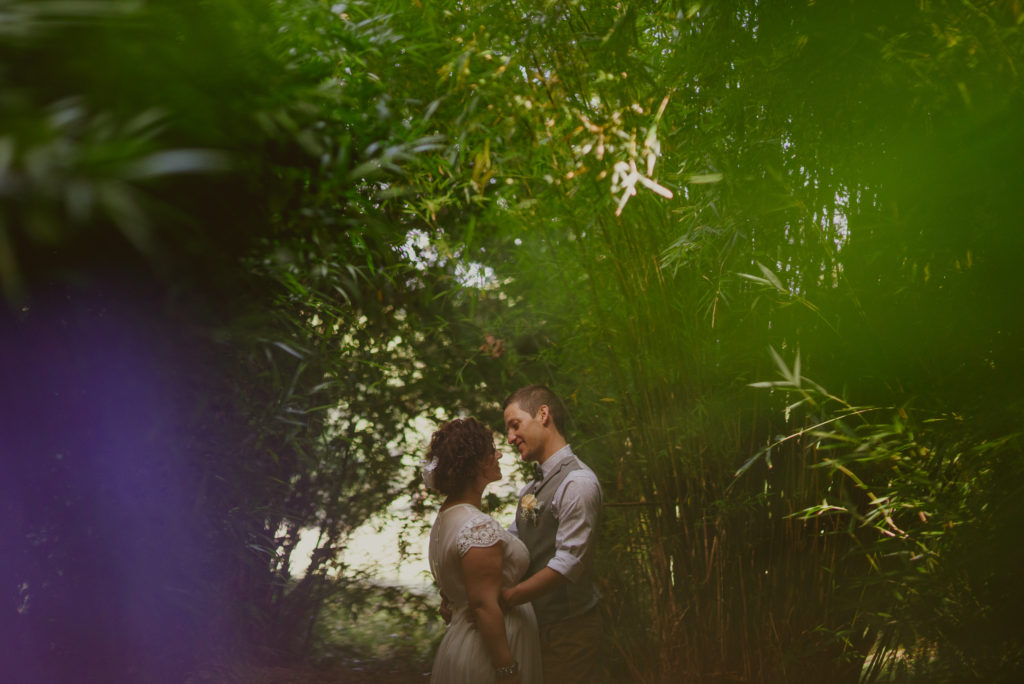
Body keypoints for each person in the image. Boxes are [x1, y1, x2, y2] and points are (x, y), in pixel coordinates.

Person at [423, 417, 543, 683]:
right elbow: (483, 606)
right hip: (490, 655)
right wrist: (506, 669)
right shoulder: (476, 526)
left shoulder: (447, 517)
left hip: (466, 642)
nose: (499, 453)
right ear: (476, 463)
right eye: (492, 450)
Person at [501, 385, 604, 683]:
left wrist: (509, 598)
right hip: (536, 630)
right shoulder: (529, 490)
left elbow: (568, 563)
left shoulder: (578, 483)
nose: (509, 438)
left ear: (543, 414)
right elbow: (513, 544)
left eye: (515, 425)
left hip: (569, 634)